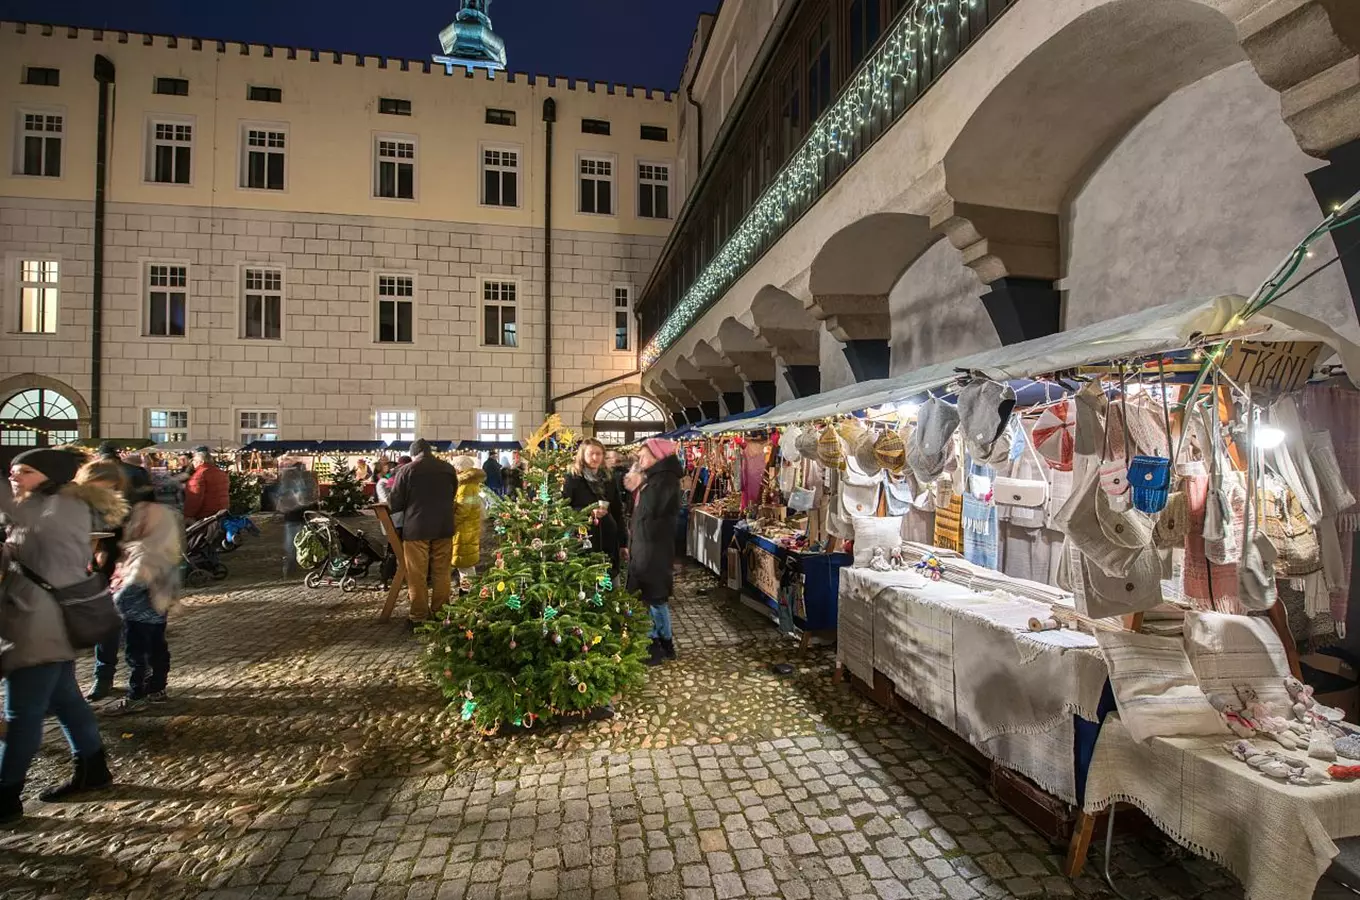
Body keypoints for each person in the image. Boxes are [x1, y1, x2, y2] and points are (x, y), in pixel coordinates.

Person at [1, 449, 123, 825]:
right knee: (66, 700)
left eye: (24, 471)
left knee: (22, 713)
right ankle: (93, 769)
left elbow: (28, 549)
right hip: (44, 618)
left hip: (37, 624)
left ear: (49, 475)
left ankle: (6, 794)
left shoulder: (52, 510)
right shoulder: (51, 505)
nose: (15, 477)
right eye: (12, 471)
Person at [105, 476, 183, 716]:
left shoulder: (145, 552)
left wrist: (114, 602)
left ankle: (137, 694)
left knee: (138, 655)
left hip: (139, 614)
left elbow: (133, 586)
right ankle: (158, 688)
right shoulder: (164, 545)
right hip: (158, 610)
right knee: (157, 649)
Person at [73, 460, 137, 702]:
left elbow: (126, 537)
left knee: (107, 626)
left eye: (109, 487)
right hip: (74, 569)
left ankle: (104, 676)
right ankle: (62, 689)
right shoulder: (70, 504)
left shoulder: (120, 506)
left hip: (108, 571)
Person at [387, 439, 457, 628]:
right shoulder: (448, 469)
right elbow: (452, 495)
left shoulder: (407, 470)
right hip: (443, 526)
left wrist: (399, 528)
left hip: (416, 528)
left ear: (413, 453)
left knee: (417, 573)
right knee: (442, 572)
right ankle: (441, 614)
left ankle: (418, 616)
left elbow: (396, 502)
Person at [626, 438, 683, 666]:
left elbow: (652, 509)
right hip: (646, 547)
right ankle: (656, 642)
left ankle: (663, 644)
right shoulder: (657, 478)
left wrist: (640, 484)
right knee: (649, 597)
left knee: (656, 599)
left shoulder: (666, 480)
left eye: (643, 456)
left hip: (655, 550)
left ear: (657, 456)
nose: (640, 460)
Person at [563, 439, 626, 574]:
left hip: (608, 535)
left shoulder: (609, 478)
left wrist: (623, 542)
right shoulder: (573, 478)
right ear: (582, 455)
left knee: (609, 575)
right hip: (583, 537)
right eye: (591, 453)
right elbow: (564, 508)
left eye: (599, 454)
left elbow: (617, 511)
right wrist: (587, 512)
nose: (595, 457)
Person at [276, 457, 320, 576]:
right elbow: (314, 496)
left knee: (294, 541)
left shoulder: (289, 480)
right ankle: (299, 563)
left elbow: (283, 498)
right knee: (303, 539)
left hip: (295, 516)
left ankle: (293, 564)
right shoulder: (306, 479)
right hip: (302, 515)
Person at [450, 456, 486, 589]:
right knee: (466, 565)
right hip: (469, 527)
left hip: (464, 529)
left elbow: (464, 510)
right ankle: (469, 591)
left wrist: (451, 522)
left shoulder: (465, 486)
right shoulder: (472, 484)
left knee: (464, 565)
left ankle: (468, 593)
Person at [95, 441, 151, 506]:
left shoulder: (91, 472)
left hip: (103, 511)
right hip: (132, 510)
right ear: (119, 454)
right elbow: (147, 495)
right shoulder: (137, 471)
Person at [182, 447, 228, 522]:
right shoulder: (221, 472)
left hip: (206, 517)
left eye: (194, 460)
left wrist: (188, 515)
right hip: (221, 513)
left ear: (201, 462)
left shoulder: (199, 475)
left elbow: (194, 498)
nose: (192, 463)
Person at [606, 450, 634, 520]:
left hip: (621, 505)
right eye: (607, 458)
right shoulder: (604, 474)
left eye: (608, 458)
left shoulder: (624, 473)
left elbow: (629, 492)